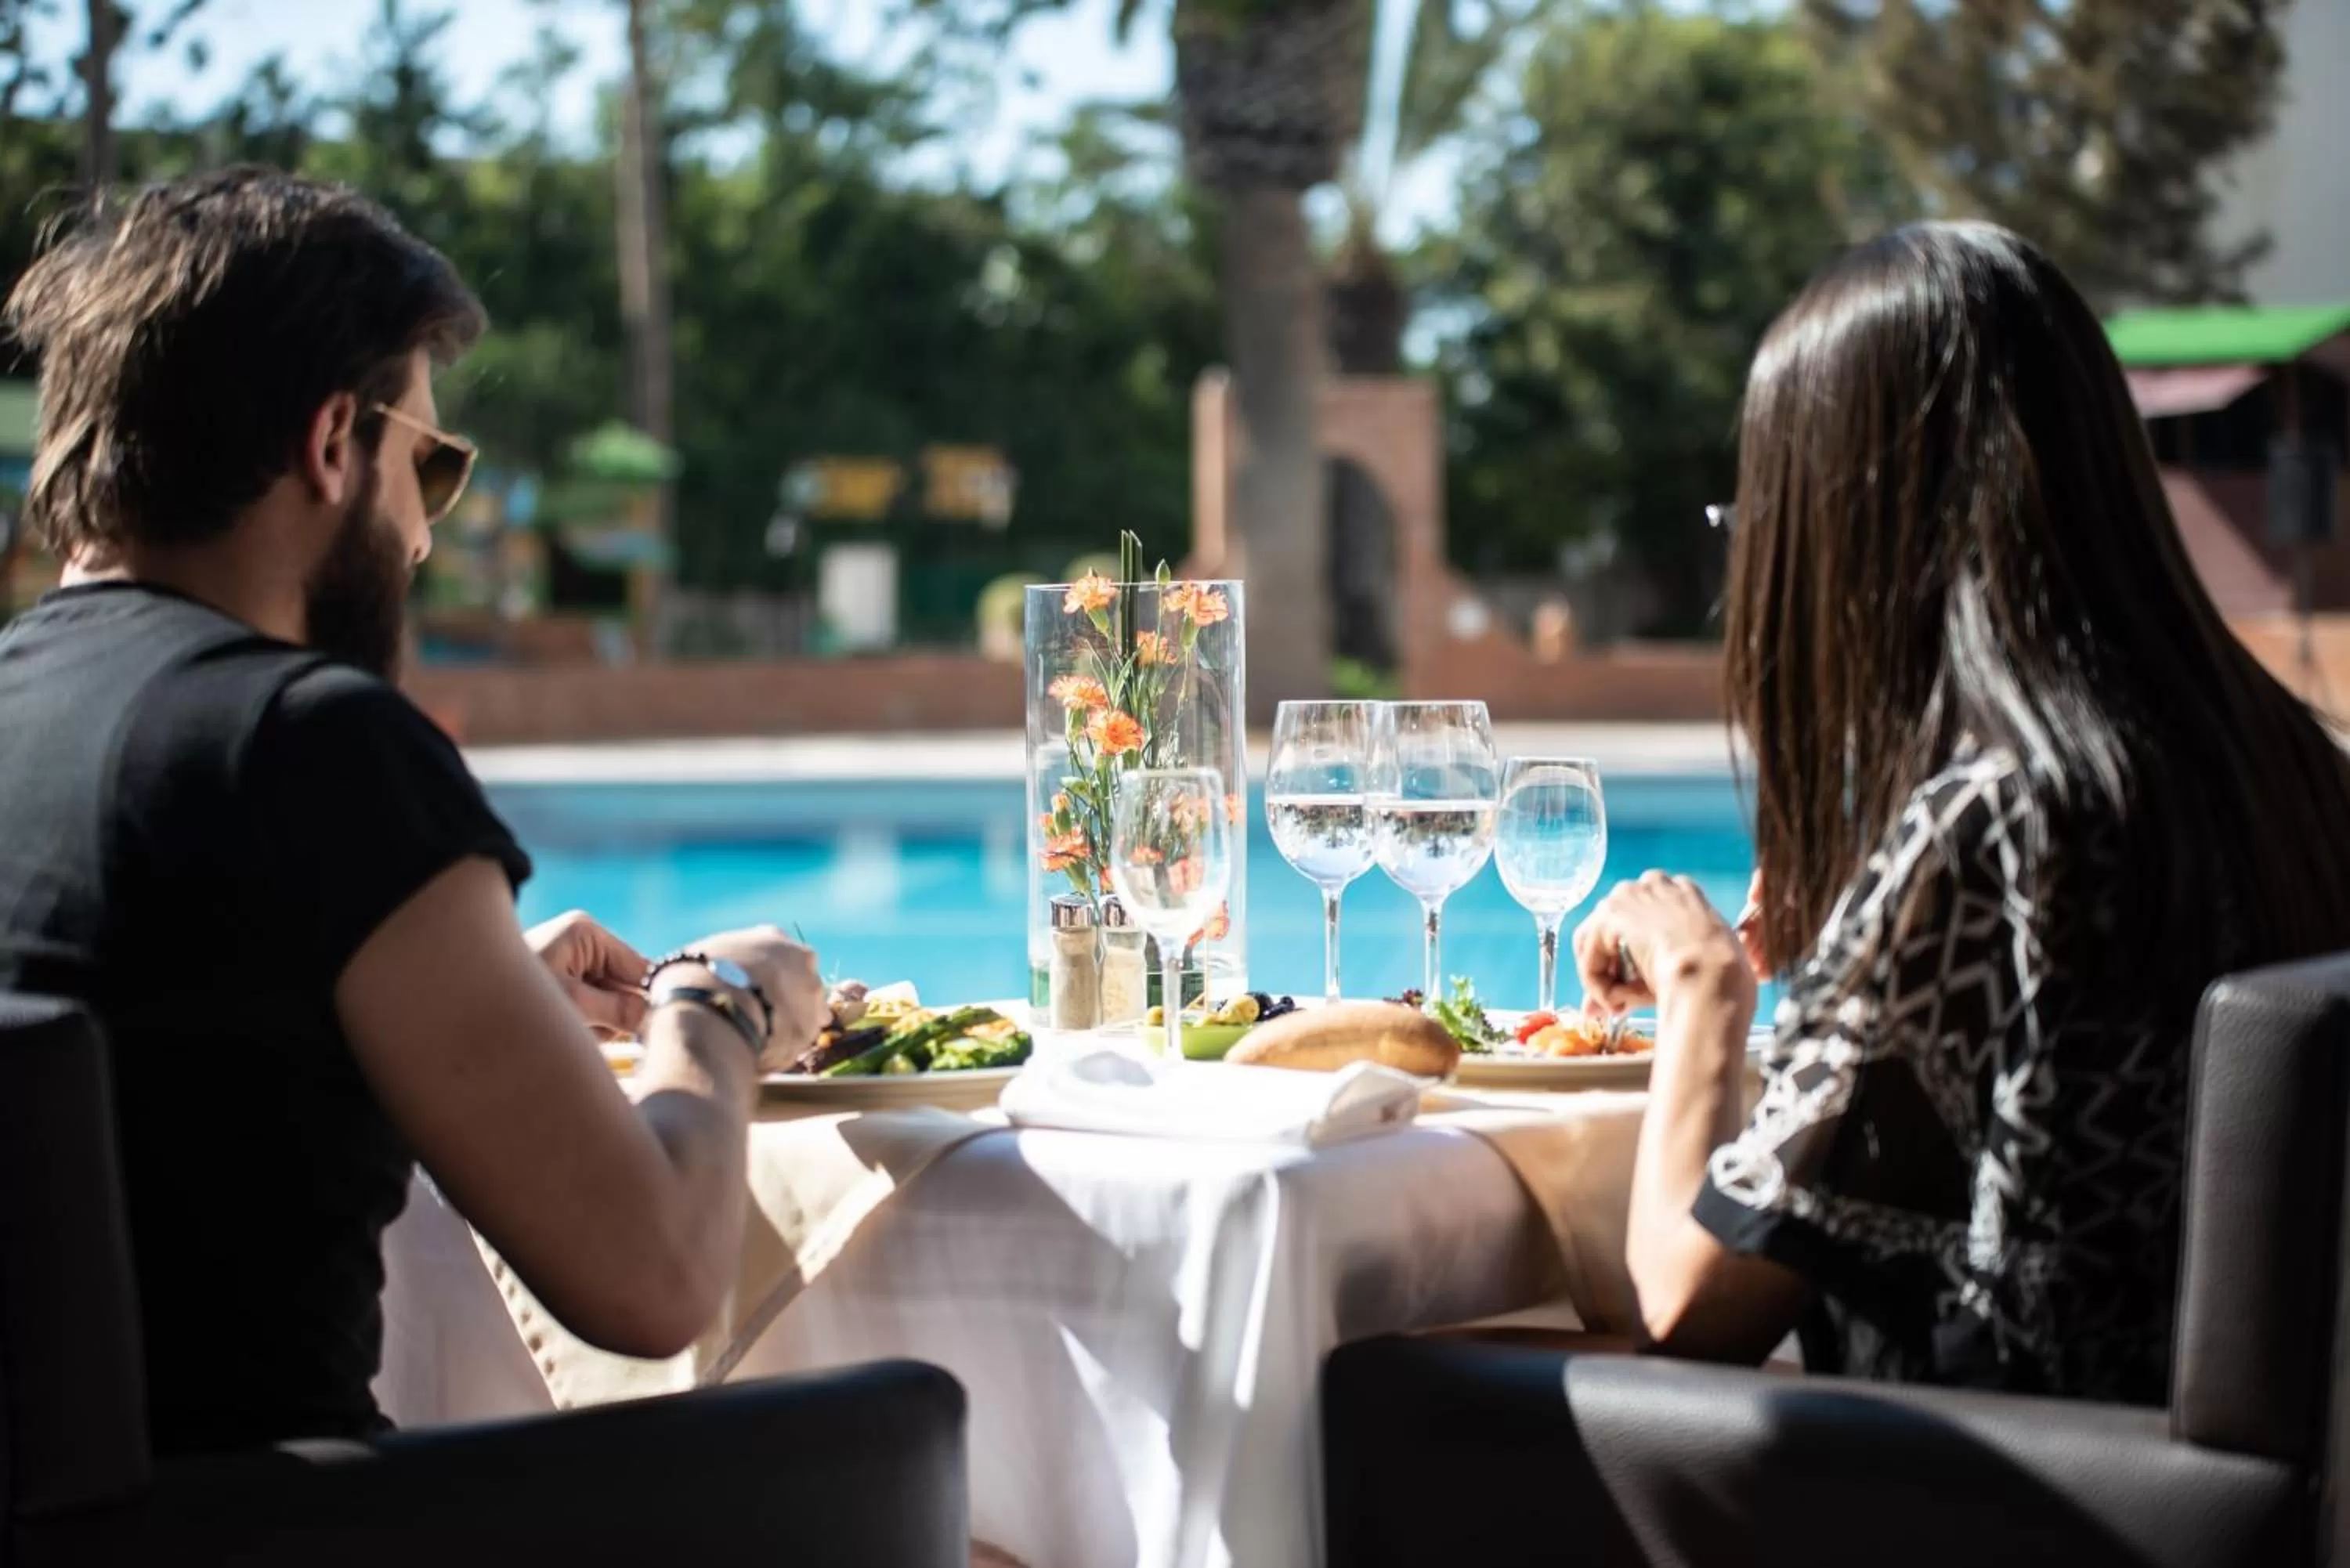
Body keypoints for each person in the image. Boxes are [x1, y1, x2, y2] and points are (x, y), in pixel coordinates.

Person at [0, 167, 829, 1458]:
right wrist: (716, 1003)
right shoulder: (308, 742)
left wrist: (462, 973)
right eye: (430, 469)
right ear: (336, 443)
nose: (428, 538)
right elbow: (656, 1277)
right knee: (946, 1475)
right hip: (285, 1534)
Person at [1571, 220, 2350, 1404]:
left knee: (1392, 1396)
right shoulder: (2290, 763)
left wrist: (1701, 989)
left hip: (2000, 1494)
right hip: (2194, 1494)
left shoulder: (2003, 823)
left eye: (1764, 529)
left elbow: (1684, 1303)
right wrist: (1856, 951)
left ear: (1852, 536)